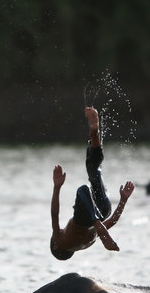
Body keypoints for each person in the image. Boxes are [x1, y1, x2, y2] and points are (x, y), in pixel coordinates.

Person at [50, 106, 134, 260]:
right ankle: (99, 226)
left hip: (103, 210)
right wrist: (57, 187)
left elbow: (112, 221)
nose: (59, 231)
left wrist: (123, 200)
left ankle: (95, 134)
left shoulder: (89, 241)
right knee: (82, 190)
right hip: (95, 220)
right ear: (55, 245)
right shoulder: (60, 240)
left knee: (93, 168)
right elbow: (54, 214)